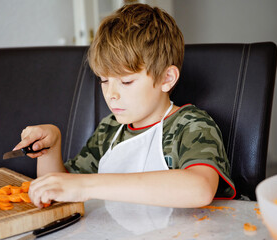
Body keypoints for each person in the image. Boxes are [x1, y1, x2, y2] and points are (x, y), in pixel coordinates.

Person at [13, 3, 236, 209]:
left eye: (126, 81)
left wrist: (88, 186)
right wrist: (50, 149)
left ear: (167, 78)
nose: (111, 95)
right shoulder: (108, 130)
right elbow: (58, 192)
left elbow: (200, 189)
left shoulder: (191, 126)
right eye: (104, 80)